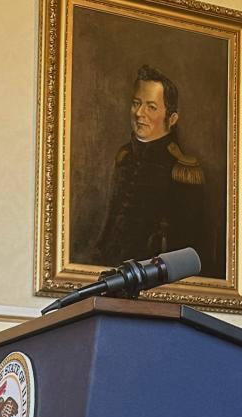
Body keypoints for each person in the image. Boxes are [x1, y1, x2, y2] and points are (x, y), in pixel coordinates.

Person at [95, 65, 210, 268]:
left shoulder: (182, 170)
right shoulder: (124, 157)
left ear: (172, 118)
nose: (139, 113)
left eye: (151, 107)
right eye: (136, 103)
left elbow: (189, 249)